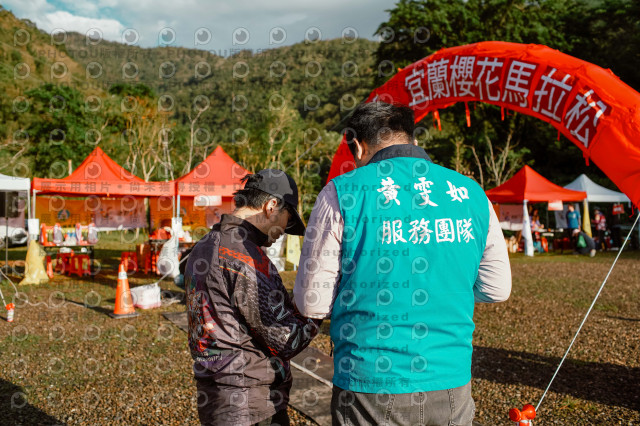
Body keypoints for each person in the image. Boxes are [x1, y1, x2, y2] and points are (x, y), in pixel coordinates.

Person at [293, 102, 512, 425]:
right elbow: (497, 288)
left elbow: (312, 303)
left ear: (358, 146)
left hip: (370, 383)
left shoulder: (341, 193)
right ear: (413, 139)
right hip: (451, 381)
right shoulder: (470, 193)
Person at [184, 169, 320, 426]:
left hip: (214, 393)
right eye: (288, 219)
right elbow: (286, 341)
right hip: (250, 402)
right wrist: (318, 311)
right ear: (271, 206)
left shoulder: (204, 246)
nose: (284, 231)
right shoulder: (244, 257)